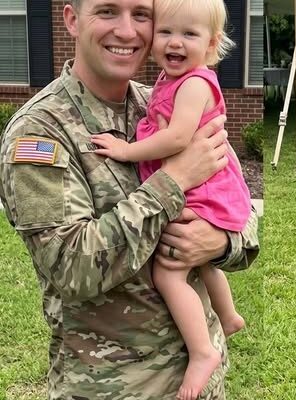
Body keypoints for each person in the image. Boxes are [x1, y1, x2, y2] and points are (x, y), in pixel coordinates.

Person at [0, 0, 259, 399]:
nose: (126, 31)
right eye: (107, 11)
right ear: (72, 20)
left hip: (203, 383)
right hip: (116, 386)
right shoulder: (40, 132)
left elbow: (239, 204)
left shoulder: (166, 100)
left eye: (141, 14)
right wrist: (174, 180)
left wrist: (220, 241)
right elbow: (70, 267)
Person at [89, 0, 250, 398]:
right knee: (198, 258)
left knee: (169, 273)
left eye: (188, 34)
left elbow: (177, 138)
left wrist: (126, 150)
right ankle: (228, 315)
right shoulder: (168, 82)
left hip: (202, 193)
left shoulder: (193, 84)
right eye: (165, 32)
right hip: (201, 190)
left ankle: (202, 351)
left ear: (211, 43)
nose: (174, 42)